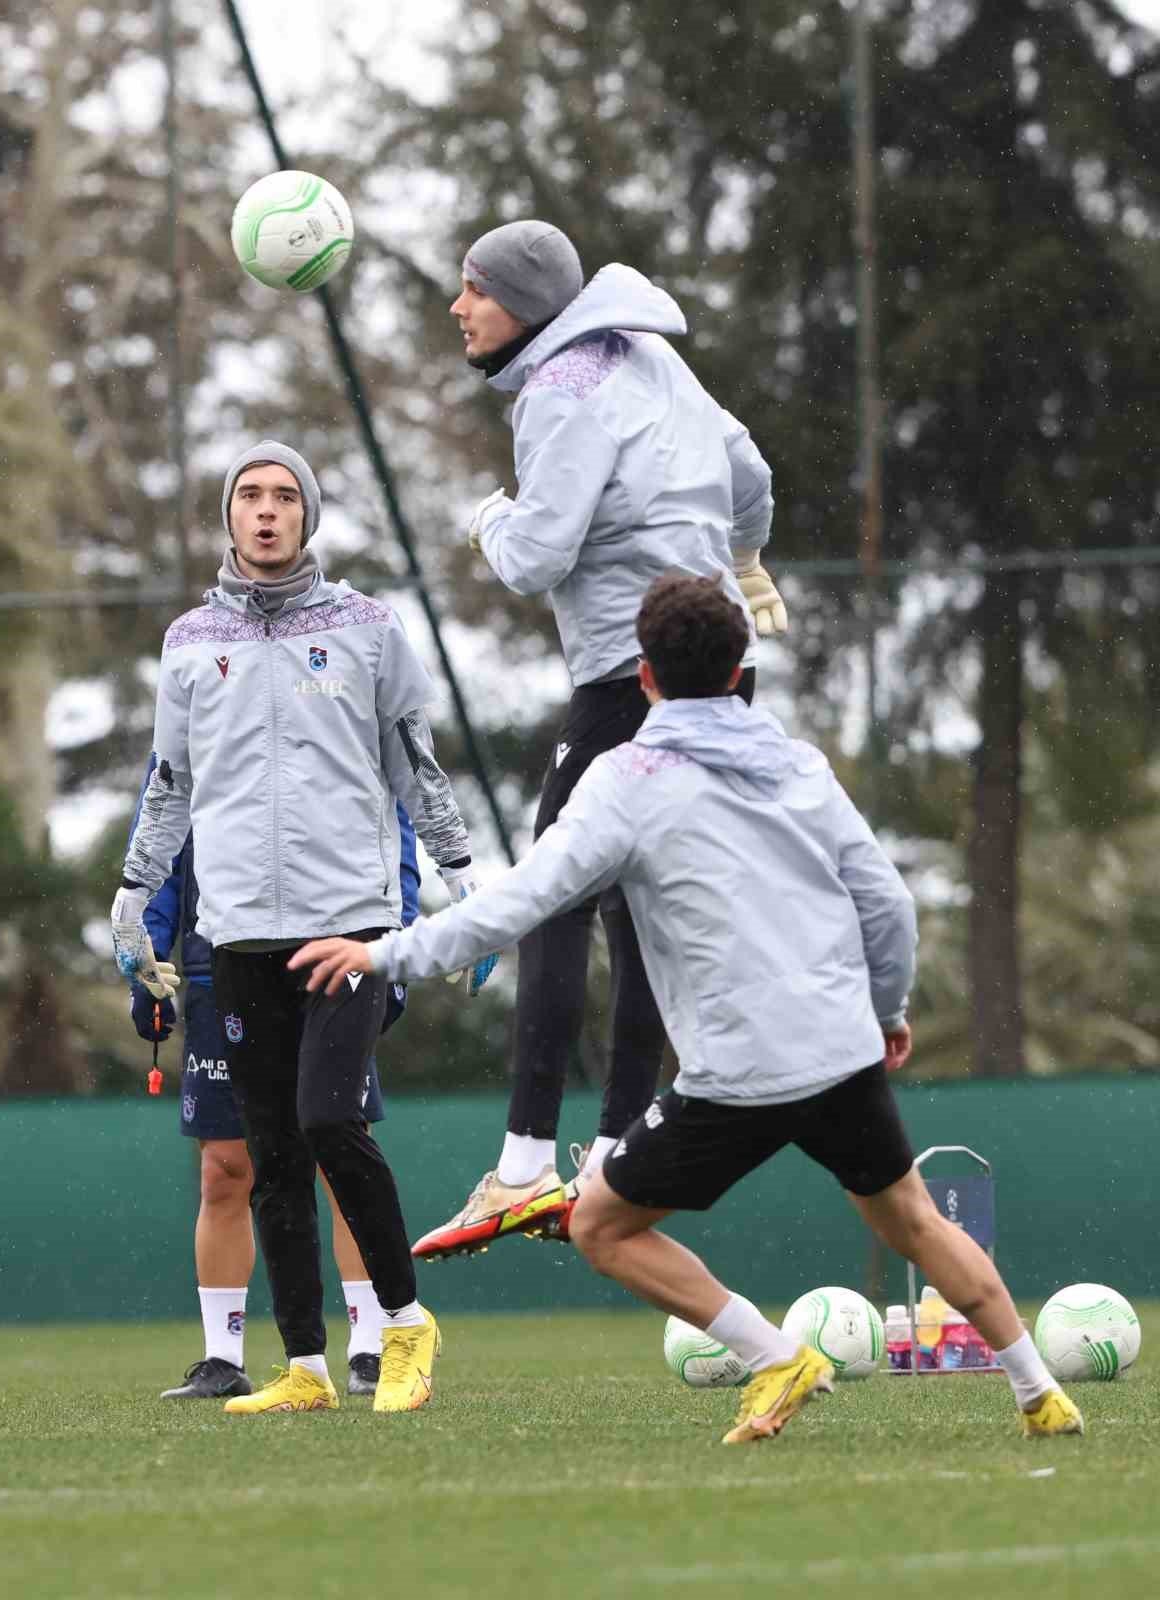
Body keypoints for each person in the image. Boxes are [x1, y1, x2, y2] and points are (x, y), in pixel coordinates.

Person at [291, 574, 1084, 1443]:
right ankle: (1038, 1390)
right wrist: (887, 1009)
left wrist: (383, 950)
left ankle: (775, 1356)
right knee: (917, 1222)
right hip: (837, 1052)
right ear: (742, 669)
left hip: (736, 1077)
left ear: (643, 677)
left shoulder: (623, 779)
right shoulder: (796, 762)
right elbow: (888, 903)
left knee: (599, 1224)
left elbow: (518, 905)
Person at [418, 220, 786, 1260]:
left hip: (634, 676)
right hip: (727, 663)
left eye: (474, 290)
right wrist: (748, 561)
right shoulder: (653, 355)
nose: (459, 307)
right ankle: (615, 1152)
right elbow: (748, 465)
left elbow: (536, 557)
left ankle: (526, 1165)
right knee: (643, 916)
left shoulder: (557, 390)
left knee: (552, 894)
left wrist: (486, 514)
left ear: (525, 303)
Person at [112, 439, 487, 1415]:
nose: (266, 511)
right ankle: (305, 1369)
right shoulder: (191, 640)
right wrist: (131, 893)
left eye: (285, 497)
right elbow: (169, 785)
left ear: (308, 516)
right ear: (228, 515)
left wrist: (463, 879)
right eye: (249, 496)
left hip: (349, 927)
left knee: (330, 1120)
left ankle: (405, 1325)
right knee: (272, 1149)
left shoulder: (366, 627)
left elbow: (415, 761)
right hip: (234, 932)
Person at [128, 777, 422, 1401]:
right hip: (222, 960)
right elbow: (163, 830)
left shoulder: (337, 700)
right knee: (229, 1167)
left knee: (336, 1139)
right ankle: (225, 1357)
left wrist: (400, 941)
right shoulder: (196, 700)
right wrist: (148, 949)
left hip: (334, 945)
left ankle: (373, 1346)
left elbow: (391, 812)